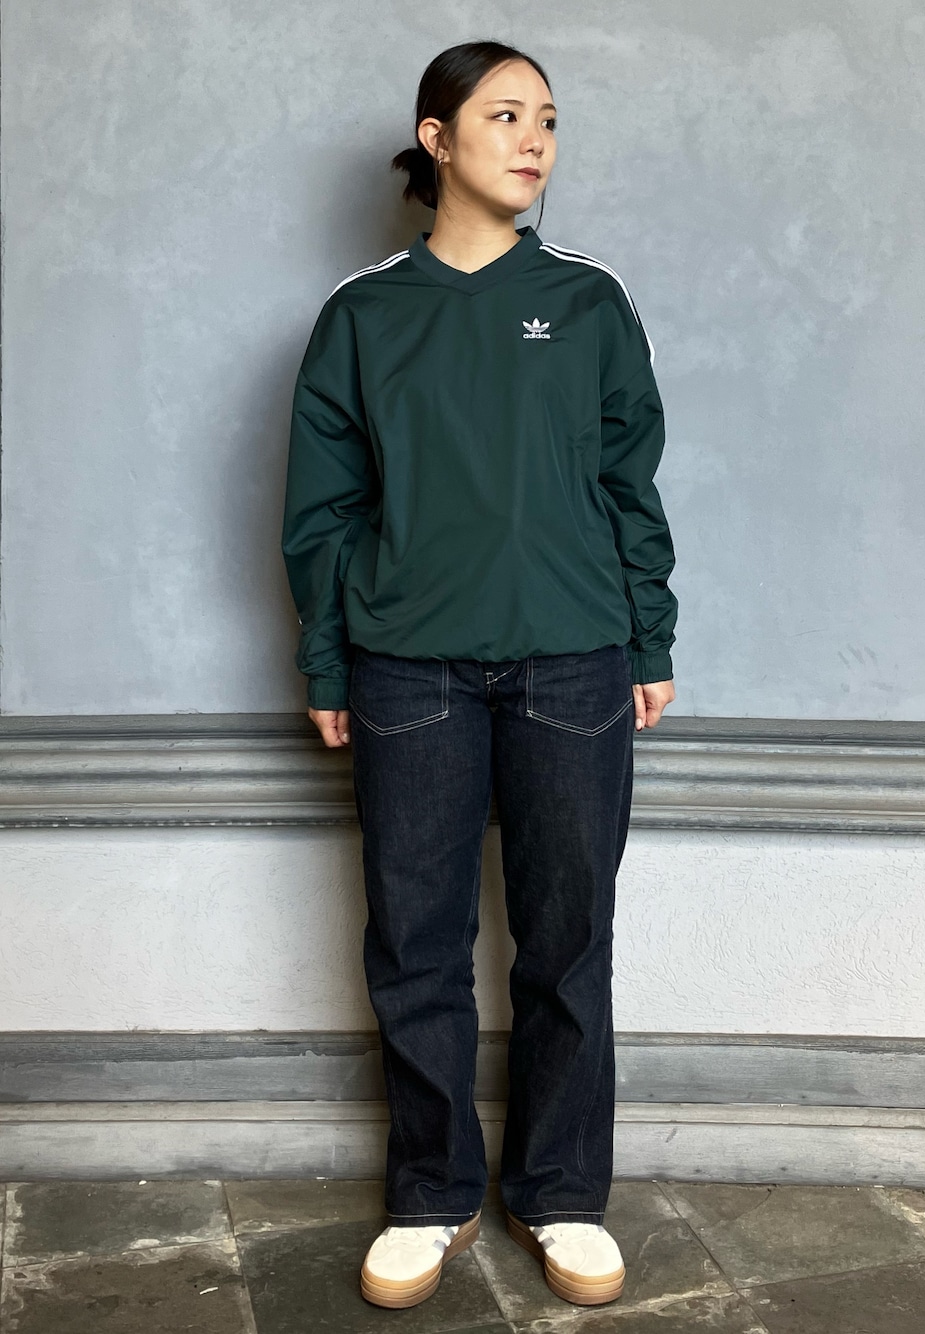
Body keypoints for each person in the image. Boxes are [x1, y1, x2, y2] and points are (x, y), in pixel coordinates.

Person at [281, 39, 678, 1311]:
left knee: (567, 941)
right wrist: (328, 658)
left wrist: (650, 637)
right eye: (505, 115)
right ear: (436, 138)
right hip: (408, 671)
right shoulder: (363, 315)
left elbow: (628, 484)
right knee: (415, 941)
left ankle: (560, 1189)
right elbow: (324, 510)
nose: (534, 140)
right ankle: (431, 1190)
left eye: (547, 119)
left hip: (574, 659)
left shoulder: (589, 300)